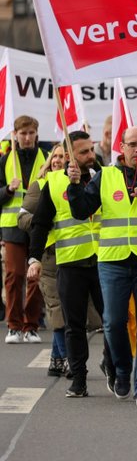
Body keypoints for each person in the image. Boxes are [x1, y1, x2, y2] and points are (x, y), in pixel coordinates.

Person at [67, 126, 137, 406]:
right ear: (122, 147)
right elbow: (81, 211)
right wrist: (75, 184)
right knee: (113, 322)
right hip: (113, 261)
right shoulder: (105, 176)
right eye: (133, 145)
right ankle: (120, 371)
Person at [26, 132, 115, 398]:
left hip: (105, 261)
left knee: (113, 321)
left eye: (91, 150)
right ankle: (78, 379)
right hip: (70, 264)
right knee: (73, 325)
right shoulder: (53, 183)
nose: (91, 155)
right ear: (68, 156)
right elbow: (40, 224)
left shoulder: (107, 177)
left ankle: (113, 366)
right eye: (84, 152)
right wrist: (34, 258)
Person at [19, 144, 68, 377]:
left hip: (72, 255)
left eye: (63, 157)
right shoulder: (39, 185)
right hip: (47, 256)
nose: (58, 160)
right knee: (57, 307)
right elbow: (22, 217)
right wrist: (42, 222)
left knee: (70, 310)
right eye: (55, 156)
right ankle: (65, 358)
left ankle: (57, 358)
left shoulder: (75, 184)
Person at [2, 115, 47, 344]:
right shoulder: (4, 161)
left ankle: (31, 325)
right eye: (23, 133)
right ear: (16, 135)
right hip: (12, 227)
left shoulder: (47, 158)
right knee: (14, 275)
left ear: (36, 134)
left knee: (35, 277)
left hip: (38, 225)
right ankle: (14, 326)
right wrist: (8, 190)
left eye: (31, 133)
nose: (27, 137)